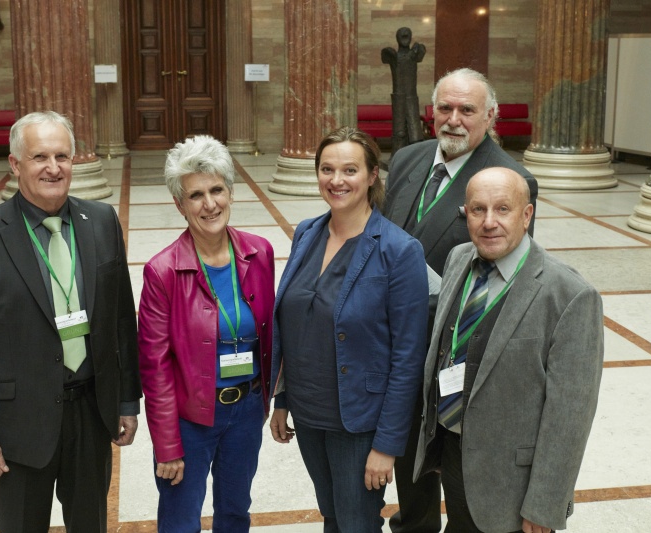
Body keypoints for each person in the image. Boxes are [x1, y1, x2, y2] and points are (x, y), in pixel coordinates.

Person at [0, 111, 141, 532]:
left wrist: (126, 401)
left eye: (62, 156)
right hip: (18, 427)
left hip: (91, 413)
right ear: (15, 165)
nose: (54, 168)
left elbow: (123, 322)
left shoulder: (102, 222)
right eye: (40, 157)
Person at [383, 68, 539, 533]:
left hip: (453, 354)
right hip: (397, 347)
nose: (454, 119)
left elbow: (507, 279)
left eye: (467, 110)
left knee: (458, 473)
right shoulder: (409, 158)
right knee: (408, 461)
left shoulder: (511, 179)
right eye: (445, 108)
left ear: (490, 116)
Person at [414, 167, 603, 533]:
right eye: (477, 209)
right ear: (464, 213)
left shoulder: (569, 295)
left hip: (513, 485)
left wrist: (545, 504)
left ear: (527, 214)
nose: (489, 222)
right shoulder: (458, 259)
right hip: (454, 455)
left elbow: (570, 416)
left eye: (503, 209)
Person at [269, 127, 429, 532]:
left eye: (350, 170)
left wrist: (387, 445)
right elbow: (294, 325)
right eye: (327, 169)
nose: (336, 180)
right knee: (334, 516)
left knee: (357, 522)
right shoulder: (307, 232)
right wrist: (282, 398)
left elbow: (408, 356)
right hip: (308, 413)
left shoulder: (399, 250)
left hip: (359, 422)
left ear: (373, 175)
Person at [138, 135, 275, 532]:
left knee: (235, 513)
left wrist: (274, 400)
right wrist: (166, 444)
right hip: (189, 419)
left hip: (246, 410)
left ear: (231, 192)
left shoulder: (259, 252)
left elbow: (270, 334)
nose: (209, 203)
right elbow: (154, 366)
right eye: (196, 195)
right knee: (181, 521)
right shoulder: (162, 271)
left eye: (217, 189)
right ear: (180, 205)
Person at [382, 26, 427, 153]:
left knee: (415, 132)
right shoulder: (392, 55)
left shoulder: (415, 52)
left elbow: (420, 54)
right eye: (402, 35)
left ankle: (416, 156)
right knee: (399, 131)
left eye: (407, 35)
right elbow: (384, 57)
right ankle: (397, 157)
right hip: (398, 98)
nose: (405, 36)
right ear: (397, 38)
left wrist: (417, 48)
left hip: (411, 97)